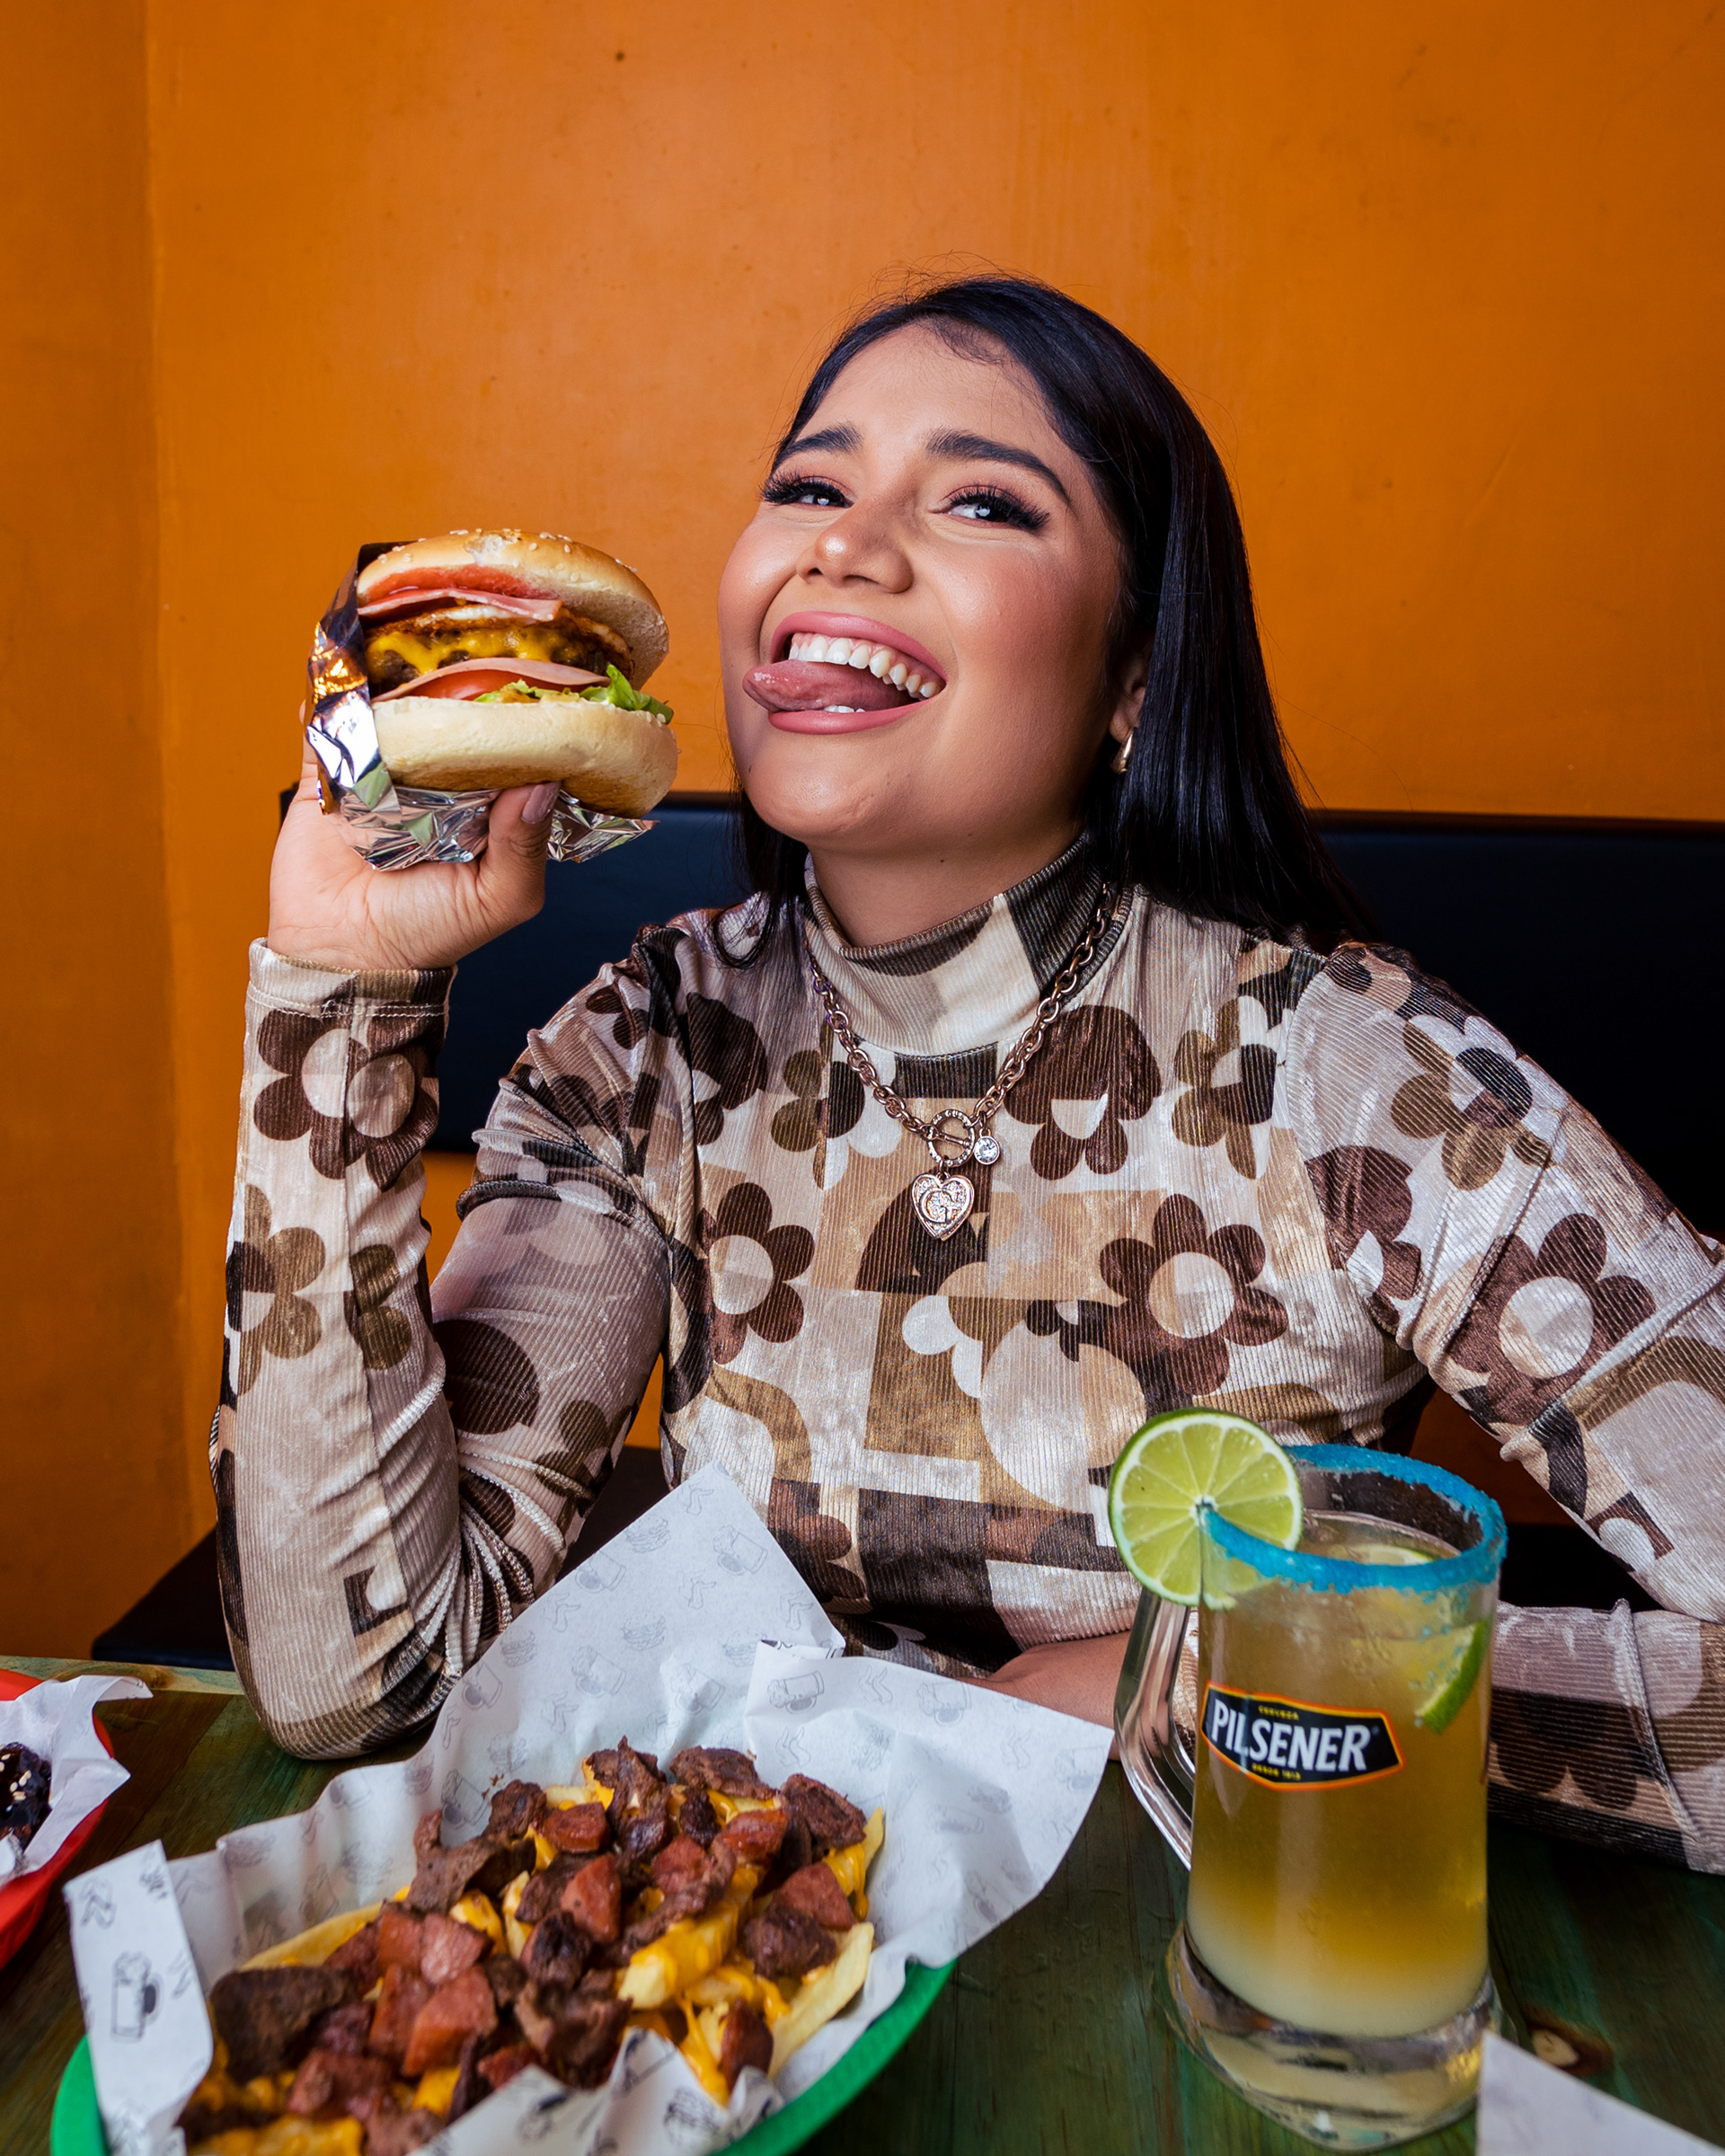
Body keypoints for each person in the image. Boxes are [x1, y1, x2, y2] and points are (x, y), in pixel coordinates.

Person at [226, 275, 1724, 1872]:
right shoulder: (647, 1048)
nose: (843, 544)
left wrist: (1209, 1684)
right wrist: (344, 980)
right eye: (810, 484)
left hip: (1217, 1988)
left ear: (1136, 679)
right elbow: (358, 1677)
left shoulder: (1356, 1073)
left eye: (982, 501)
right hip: (773, 2015)